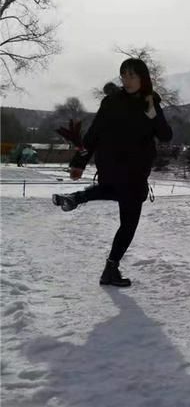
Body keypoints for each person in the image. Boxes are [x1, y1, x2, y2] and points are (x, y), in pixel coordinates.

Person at [52, 58, 173, 287]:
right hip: (128, 168)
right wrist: (79, 162)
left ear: (142, 78)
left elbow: (166, 135)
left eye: (131, 76)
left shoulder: (151, 101)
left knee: (112, 190)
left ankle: (78, 197)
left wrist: (153, 116)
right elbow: (94, 133)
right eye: (123, 75)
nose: (126, 80)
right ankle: (110, 268)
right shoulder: (112, 102)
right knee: (128, 222)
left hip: (119, 168)